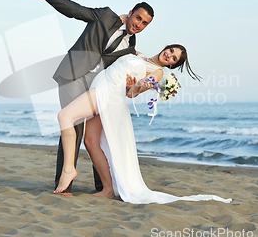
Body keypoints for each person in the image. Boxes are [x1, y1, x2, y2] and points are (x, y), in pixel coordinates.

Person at [56, 44, 232, 204]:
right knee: (90, 141)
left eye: (173, 59)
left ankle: (69, 169)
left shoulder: (158, 72)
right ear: (167, 47)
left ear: (171, 65)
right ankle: (108, 189)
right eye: (171, 51)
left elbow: (132, 94)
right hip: (102, 87)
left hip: (107, 92)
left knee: (65, 116)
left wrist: (139, 85)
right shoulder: (139, 54)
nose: (169, 56)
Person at [30, 0, 154, 193]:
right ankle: (64, 182)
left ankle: (102, 187)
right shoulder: (106, 16)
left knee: (99, 132)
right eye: (138, 18)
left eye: (144, 24)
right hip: (73, 74)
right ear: (131, 13)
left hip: (97, 85)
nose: (139, 25)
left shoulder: (131, 46)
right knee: (73, 126)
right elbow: (75, 10)